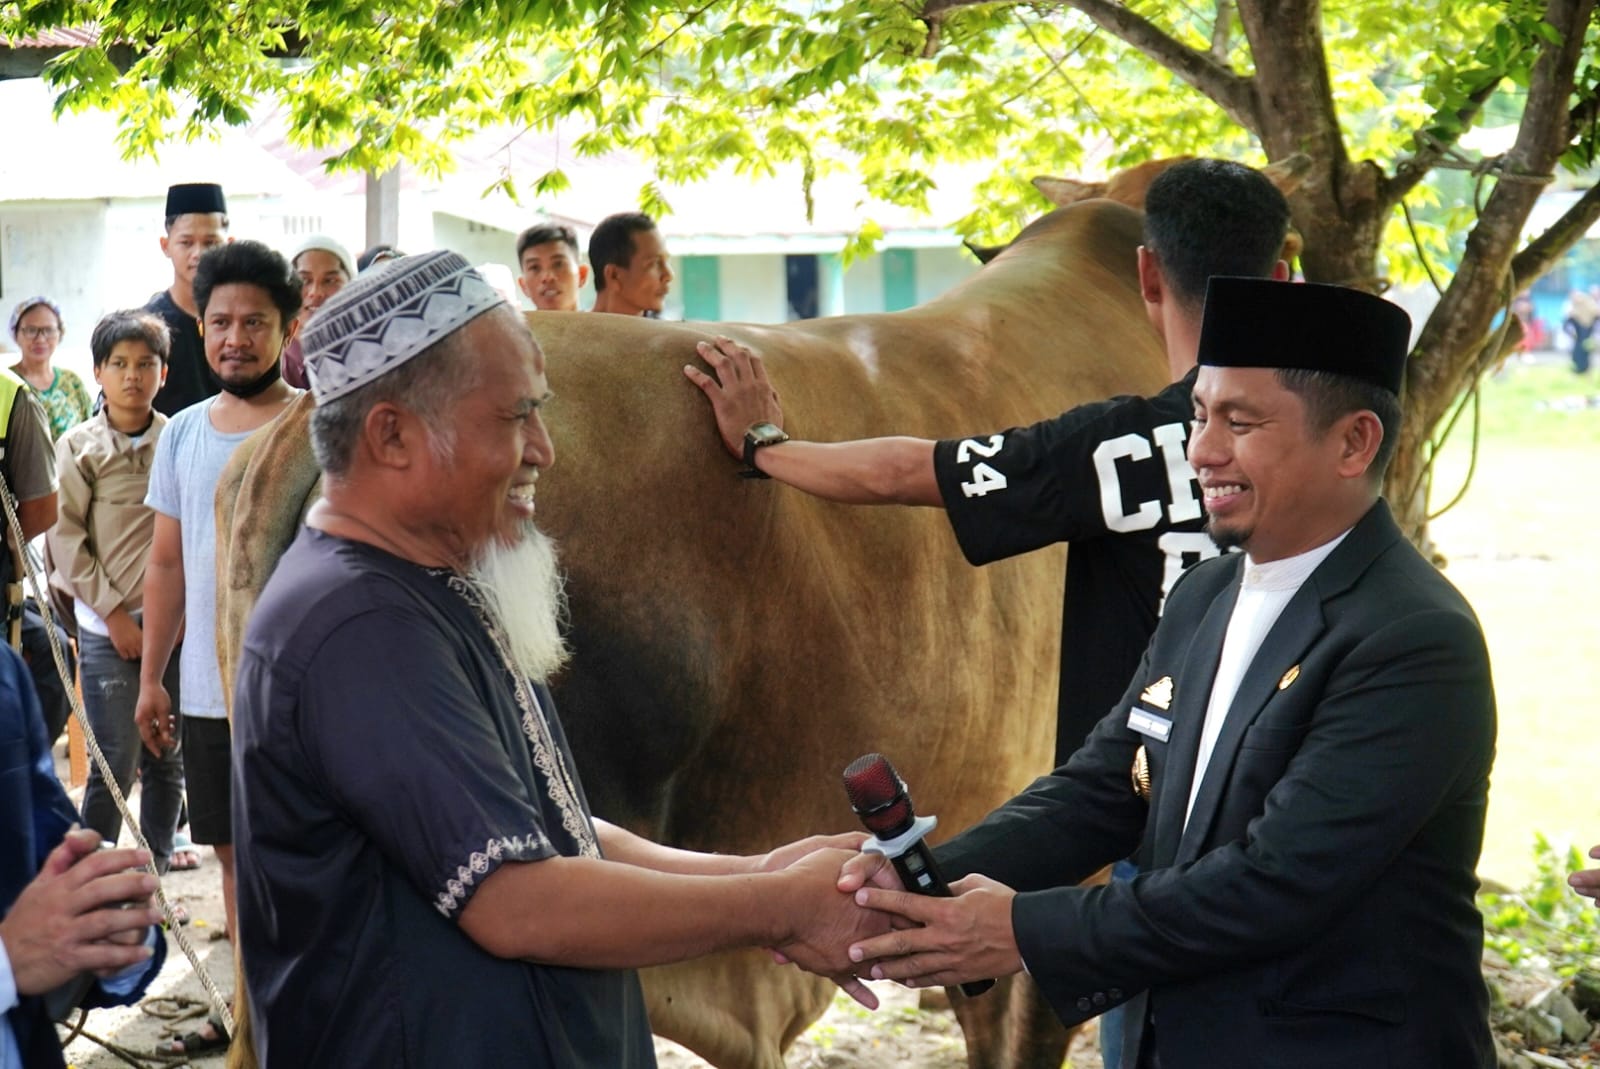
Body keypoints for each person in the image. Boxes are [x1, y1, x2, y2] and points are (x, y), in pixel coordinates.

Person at [687, 156, 1291, 1068]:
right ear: (1285, 275)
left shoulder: (1121, 445)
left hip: (1155, 836)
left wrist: (769, 447)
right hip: (1271, 849)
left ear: (1144, 277)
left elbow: (910, 471)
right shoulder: (1324, 459)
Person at [231, 251, 883, 1067]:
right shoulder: (357, 626)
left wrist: (750, 873)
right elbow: (517, 899)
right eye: (513, 417)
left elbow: (548, 826)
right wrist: (778, 907)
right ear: (391, 434)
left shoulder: (430, 580)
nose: (544, 448)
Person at [831, 277, 1497, 1069]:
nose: (1202, 450)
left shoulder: (1414, 637)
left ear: (1354, 443)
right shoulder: (1205, 591)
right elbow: (1106, 786)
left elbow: (1277, 881)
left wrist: (1019, 928)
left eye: (1240, 422)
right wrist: (914, 885)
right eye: (1199, 415)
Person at [134, 240, 302, 1056]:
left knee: (305, 857)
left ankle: (313, 1012)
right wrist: (153, 677)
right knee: (234, 864)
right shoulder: (185, 435)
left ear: (287, 327)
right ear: (200, 327)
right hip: (206, 692)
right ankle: (249, 1010)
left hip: (305, 697)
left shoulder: (317, 430)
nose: (236, 337)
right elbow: (165, 561)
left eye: (256, 323)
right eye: (221, 321)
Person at [48, 311, 185, 876]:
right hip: (108, 628)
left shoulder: (178, 438)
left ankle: (153, 869)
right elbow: (66, 539)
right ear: (98, 373)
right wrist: (113, 615)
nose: (133, 376)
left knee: (168, 757)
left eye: (145, 364)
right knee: (111, 764)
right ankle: (90, 878)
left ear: (164, 372)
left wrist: (165, 624)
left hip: (173, 628)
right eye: (120, 364)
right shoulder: (79, 446)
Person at [0, 639, 166, 1069]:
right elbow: (20, 948)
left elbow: (45, 852)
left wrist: (102, 924)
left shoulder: (5, 673)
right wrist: (8, 959)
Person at [145, 182, 230, 416]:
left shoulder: (245, 322)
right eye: (186, 242)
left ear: (229, 244)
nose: (198, 254)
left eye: (211, 243)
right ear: (166, 245)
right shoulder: (147, 326)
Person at [8, 298, 91, 440]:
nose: (40, 339)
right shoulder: (6, 382)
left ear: (60, 334)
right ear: (16, 335)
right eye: (31, 330)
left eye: (49, 330)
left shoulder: (72, 382)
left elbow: (92, 430)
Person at [281, 235, 354, 389]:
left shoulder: (366, 355)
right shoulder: (272, 360)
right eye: (304, 280)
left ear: (352, 286)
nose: (316, 292)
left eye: (330, 281)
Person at [589, 211, 673, 316]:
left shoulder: (664, 332)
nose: (668, 275)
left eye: (666, 261)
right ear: (613, 276)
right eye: (655, 263)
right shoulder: (570, 330)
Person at [516, 223, 589, 312]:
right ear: (523, 286)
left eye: (558, 264)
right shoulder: (511, 326)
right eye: (535, 267)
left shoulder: (605, 325)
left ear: (582, 275)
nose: (547, 277)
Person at [1563, 289, 1597, 375]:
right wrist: (1571, 333)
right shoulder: (1574, 313)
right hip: (1578, 340)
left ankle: (1584, 370)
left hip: (1586, 339)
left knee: (1585, 353)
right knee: (1578, 353)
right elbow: (1566, 326)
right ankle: (1578, 370)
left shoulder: (1592, 310)